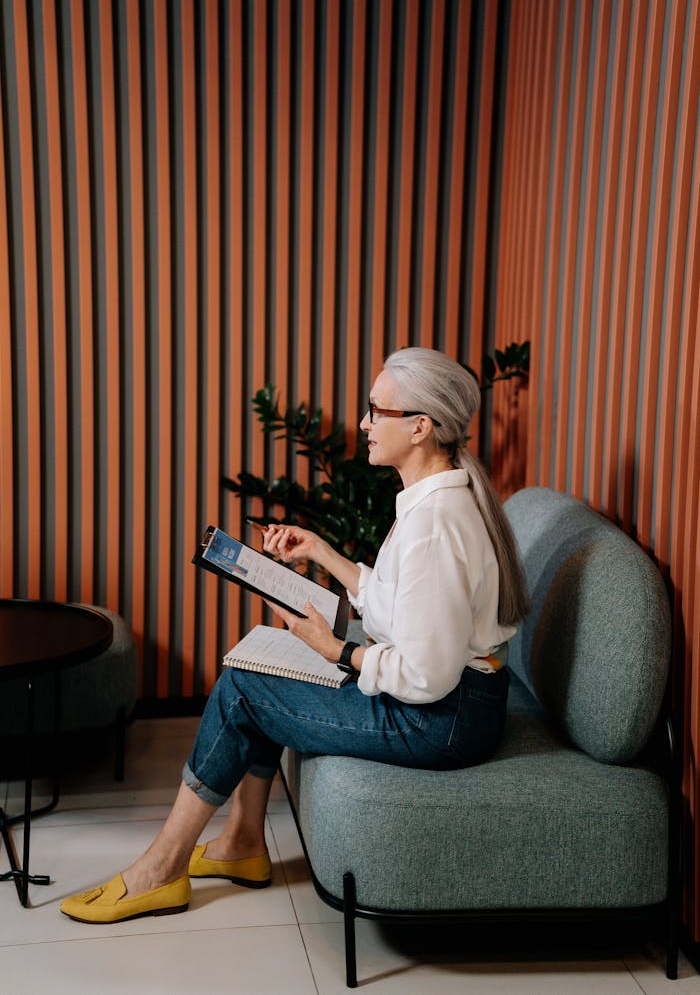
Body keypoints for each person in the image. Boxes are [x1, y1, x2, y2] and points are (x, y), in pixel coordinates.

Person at [61, 346, 530, 924]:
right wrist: (321, 551)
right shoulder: (432, 502)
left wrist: (335, 649)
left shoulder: (436, 524)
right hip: (460, 703)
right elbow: (398, 603)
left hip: (444, 720)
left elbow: (426, 678)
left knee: (243, 691)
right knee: (257, 668)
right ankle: (242, 842)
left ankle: (163, 868)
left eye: (375, 410)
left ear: (420, 426)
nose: (363, 424)